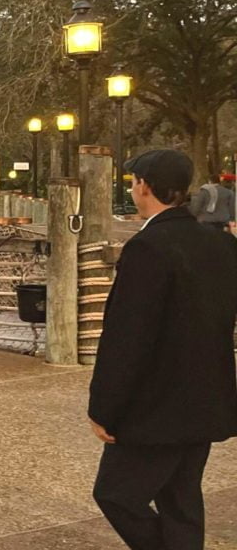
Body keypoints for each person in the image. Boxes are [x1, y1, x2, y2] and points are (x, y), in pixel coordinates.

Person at [89, 149, 237, 550]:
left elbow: (127, 338)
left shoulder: (147, 248)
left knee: (116, 494)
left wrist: (104, 408)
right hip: (206, 397)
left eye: (133, 183)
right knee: (181, 497)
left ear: (144, 187)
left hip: (155, 406)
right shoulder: (220, 245)